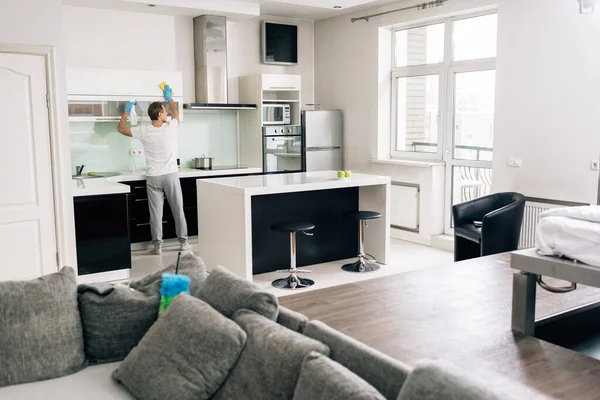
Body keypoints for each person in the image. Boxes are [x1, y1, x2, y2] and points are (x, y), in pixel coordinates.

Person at [117, 85, 191, 255]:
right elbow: (177, 114)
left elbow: (121, 129)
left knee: (155, 213)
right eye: (165, 112)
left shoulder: (143, 131)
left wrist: (127, 110)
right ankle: (184, 243)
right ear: (160, 115)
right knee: (177, 209)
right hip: (170, 175)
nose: (168, 114)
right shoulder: (170, 127)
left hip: (153, 177)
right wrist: (170, 98)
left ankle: (157, 246)